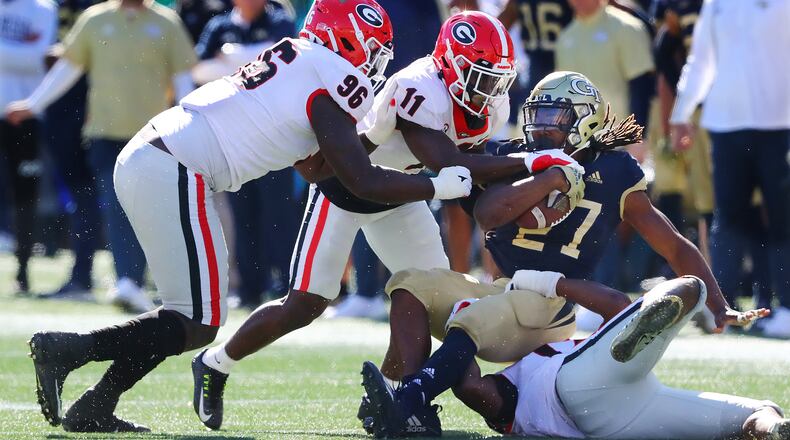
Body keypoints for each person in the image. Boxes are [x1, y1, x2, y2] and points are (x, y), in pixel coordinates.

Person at [24, 0, 475, 433]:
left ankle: (96, 403)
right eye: (372, 48)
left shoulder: (303, 58)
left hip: (160, 154)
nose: (374, 62)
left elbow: (317, 166)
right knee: (199, 321)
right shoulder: (329, 72)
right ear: (348, 40)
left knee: (189, 313)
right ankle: (71, 350)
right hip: (175, 164)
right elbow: (361, 180)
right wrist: (436, 185)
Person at [190, 10, 587, 431]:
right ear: (450, 65)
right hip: (344, 187)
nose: (490, 90)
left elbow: (469, 176)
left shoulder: (489, 104)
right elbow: (447, 162)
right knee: (305, 304)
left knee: (436, 297)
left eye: (497, 79)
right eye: (481, 76)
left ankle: (398, 397)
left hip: (403, 194)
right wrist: (533, 163)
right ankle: (215, 363)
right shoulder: (418, 87)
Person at [357, 72, 761, 430]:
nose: (541, 128)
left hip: (552, 303)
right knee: (408, 285)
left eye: (556, 118)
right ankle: (412, 412)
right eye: (537, 116)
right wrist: (549, 175)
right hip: (505, 289)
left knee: (474, 318)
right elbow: (489, 214)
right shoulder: (516, 157)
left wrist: (719, 304)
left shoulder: (616, 173)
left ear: (585, 120)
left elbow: (673, 243)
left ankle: (410, 399)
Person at [362, 276, 781, 439]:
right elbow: (471, 387)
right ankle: (650, 315)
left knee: (748, 417)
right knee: (689, 289)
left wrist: (460, 331)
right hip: (575, 384)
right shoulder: (517, 395)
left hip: (623, 413)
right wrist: (556, 284)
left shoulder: (513, 395)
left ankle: (771, 426)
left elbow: (469, 383)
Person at [5, 0, 198, 313]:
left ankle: (143, 281)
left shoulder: (167, 24)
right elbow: (69, 68)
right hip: (105, 134)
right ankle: (128, 280)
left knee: (149, 210)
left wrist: (192, 124)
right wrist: (34, 103)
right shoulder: (94, 20)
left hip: (153, 136)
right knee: (116, 206)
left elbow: (182, 80)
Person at [670, 0, 790, 339]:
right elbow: (702, 59)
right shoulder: (717, 2)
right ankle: (720, 308)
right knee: (729, 217)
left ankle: (787, 308)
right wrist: (681, 112)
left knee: (781, 217)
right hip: (725, 124)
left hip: (780, 124)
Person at [194, 0, 299, 308]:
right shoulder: (219, 25)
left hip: (275, 134)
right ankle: (250, 288)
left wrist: (231, 59)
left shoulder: (279, 21)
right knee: (244, 213)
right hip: (235, 137)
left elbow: (288, 61)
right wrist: (254, 59)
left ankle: (290, 287)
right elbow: (198, 69)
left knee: (279, 214)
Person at [0, 0, 57, 292]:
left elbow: (37, 59)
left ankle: (22, 270)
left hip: (23, 116)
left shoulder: (43, 8)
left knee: (24, 196)